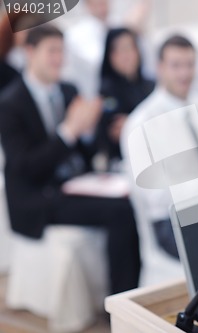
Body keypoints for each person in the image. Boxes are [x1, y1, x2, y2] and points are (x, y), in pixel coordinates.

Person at [0, 25, 141, 295]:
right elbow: (25, 167)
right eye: (52, 51)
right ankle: (121, 301)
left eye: (61, 51)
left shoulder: (67, 90)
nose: (59, 59)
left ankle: (133, 290)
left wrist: (89, 132)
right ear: (30, 52)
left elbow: (84, 153)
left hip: (75, 183)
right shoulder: (9, 104)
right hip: (38, 196)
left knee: (129, 197)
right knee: (119, 213)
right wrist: (69, 132)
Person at [121, 35, 198, 276]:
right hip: (174, 221)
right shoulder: (140, 123)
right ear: (159, 68)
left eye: (190, 64)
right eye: (176, 65)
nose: (184, 73)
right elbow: (157, 199)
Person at [98, 28, 155, 170]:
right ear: (110, 55)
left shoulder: (152, 86)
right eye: (119, 50)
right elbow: (114, 131)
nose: (126, 56)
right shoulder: (106, 90)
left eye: (130, 48)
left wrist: (131, 124)